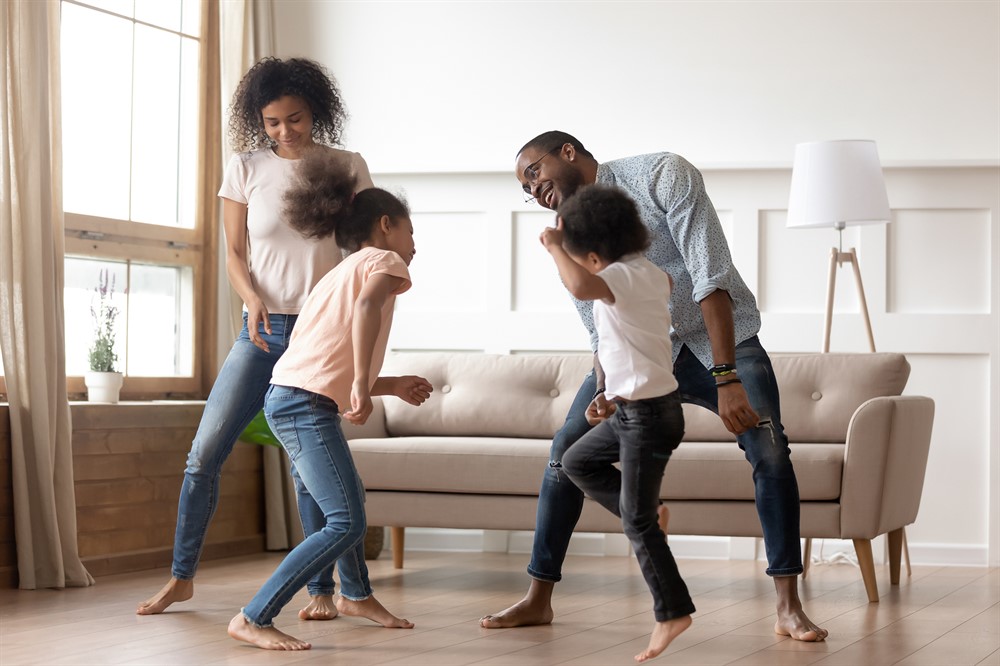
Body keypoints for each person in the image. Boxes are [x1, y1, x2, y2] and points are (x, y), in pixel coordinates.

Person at [481, 131, 828, 643]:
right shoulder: (567, 225)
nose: (533, 190)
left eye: (534, 172)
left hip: (717, 345)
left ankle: (787, 605)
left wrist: (726, 376)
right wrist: (608, 384)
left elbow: (711, 276)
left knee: (770, 451)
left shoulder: (663, 174)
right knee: (566, 450)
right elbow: (596, 319)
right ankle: (538, 597)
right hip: (641, 355)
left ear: (568, 153)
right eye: (524, 188)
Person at [137, 56, 403, 621]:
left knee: (312, 470)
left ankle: (336, 593)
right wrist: (253, 298)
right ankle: (181, 578)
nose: (286, 131)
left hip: (318, 334)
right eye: (274, 122)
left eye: (297, 119)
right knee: (203, 454)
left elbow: (364, 254)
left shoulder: (348, 165)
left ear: (317, 112)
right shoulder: (245, 168)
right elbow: (235, 253)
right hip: (261, 330)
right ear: (259, 121)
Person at [228, 148, 425, 651]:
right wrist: (362, 384)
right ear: (386, 226)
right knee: (346, 518)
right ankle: (254, 615)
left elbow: (322, 360)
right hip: (302, 404)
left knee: (346, 501)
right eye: (409, 230)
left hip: (295, 395)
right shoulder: (385, 261)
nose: (412, 243)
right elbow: (365, 308)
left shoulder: (336, 274)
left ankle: (355, 594)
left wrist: (387, 382)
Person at [540, 184, 694, 663]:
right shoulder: (649, 274)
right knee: (575, 459)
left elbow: (583, 286)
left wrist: (552, 245)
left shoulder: (623, 276)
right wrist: (610, 395)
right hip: (633, 409)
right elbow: (632, 341)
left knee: (637, 520)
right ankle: (650, 512)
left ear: (591, 254)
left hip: (649, 418)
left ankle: (673, 612)